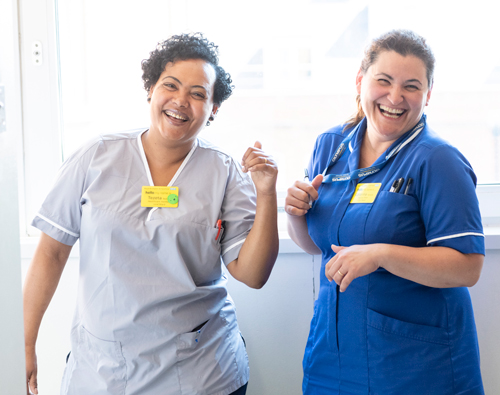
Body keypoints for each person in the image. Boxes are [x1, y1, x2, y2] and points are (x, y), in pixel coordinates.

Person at [23, 33, 279, 395]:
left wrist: (266, 192)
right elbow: (51, 252)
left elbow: (252, 275)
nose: (181, 101)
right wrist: (24, 341)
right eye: (170, 85)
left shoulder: (224, 172)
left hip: (200, 371)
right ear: (150, 89)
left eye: (198, 93)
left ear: (213, 109)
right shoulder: (96, 157)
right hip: (102, 372)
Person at [285, 29, 485, 395]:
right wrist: (295, 213)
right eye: (384, 81)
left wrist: (381, 254)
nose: (395, 97)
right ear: (360, 81)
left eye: (411, 86)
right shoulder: (331, 144)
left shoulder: (439, 160)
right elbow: (319, 247)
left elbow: (467, 267)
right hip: (334, 352)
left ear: (428, 95)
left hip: (416, 361)